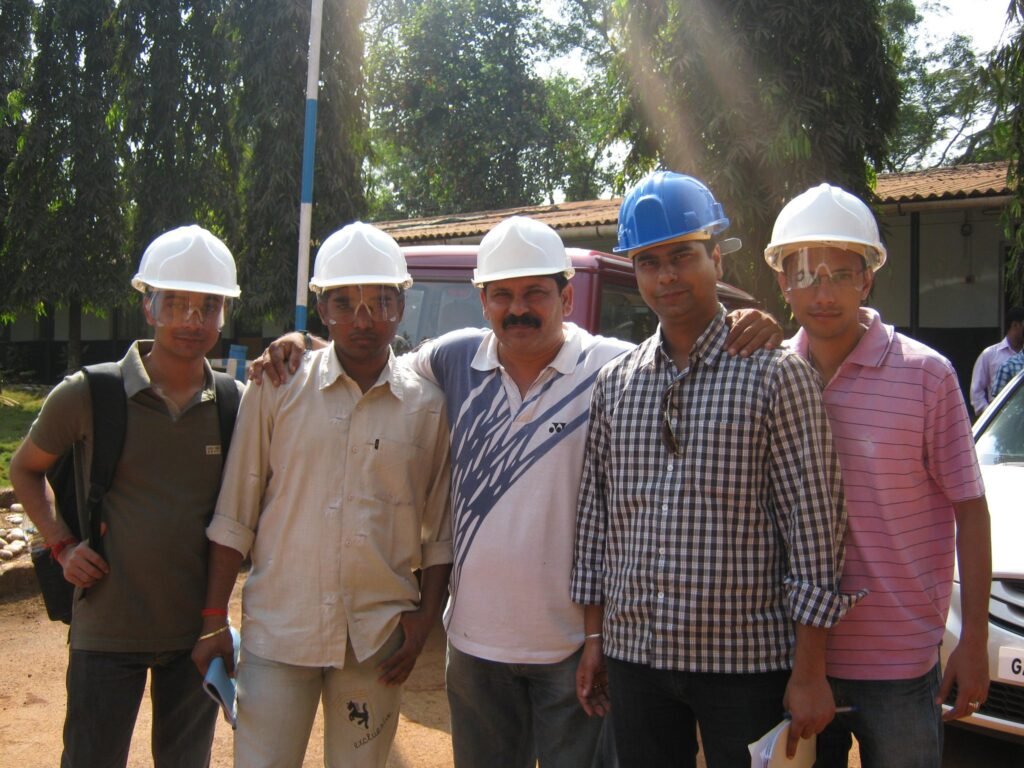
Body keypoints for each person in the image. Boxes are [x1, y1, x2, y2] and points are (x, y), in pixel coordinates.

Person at [250, 214, 784, 767]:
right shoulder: (453, 359)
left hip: (572, 648)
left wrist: (748, 322)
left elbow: (689, 358)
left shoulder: (615, 369)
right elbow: (369, 360)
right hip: (473, 648)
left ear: (566, 298)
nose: (518, 308)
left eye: (535, 293)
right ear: (483, 301)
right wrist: (302, 342)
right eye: (502, 295)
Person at [572, 171, 856, 768]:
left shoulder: (775, 375)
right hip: (636, 657)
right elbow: (596, 522)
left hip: (745, 664)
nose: (667, 276)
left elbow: (814, 529)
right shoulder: (616, 384)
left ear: (716, 258)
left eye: (683, 256)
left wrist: (810, 670)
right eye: (649, 262)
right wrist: (596, 638)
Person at [190, 222, 452, 768]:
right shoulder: (277, 387)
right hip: (281, 631)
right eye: (344, 303)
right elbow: (235, 512)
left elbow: (438, 529)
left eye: (381, 302)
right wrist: (214, 618)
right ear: (322, 309)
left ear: (402, 306)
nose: (364, 319)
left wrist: (424, 619)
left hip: (377, 637)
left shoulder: (427, 406)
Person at [763, 183, 992, 768]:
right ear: (783, 282)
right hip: (797, 656)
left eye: (841, 274)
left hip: (900, 660)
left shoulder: (926, 376)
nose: (823, 293)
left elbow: (970, 510)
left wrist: (973, 640)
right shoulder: (771, 377)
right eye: (805, 275)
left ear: (867, 279)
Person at [9, 225, 243, 768]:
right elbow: (24, 469)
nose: (191, 320)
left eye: (207, 306)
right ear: (148, 306)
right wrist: (62, 544)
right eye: (175, 303)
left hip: (196, 633)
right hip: (106, 629)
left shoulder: (235, 404)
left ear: (224, 314)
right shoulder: (90, 393)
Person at [970, 306, 1024, 415]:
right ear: (1015, 325)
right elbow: (976, 391)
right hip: (1002, 418)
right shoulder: (990, 354)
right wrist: (991, 414)